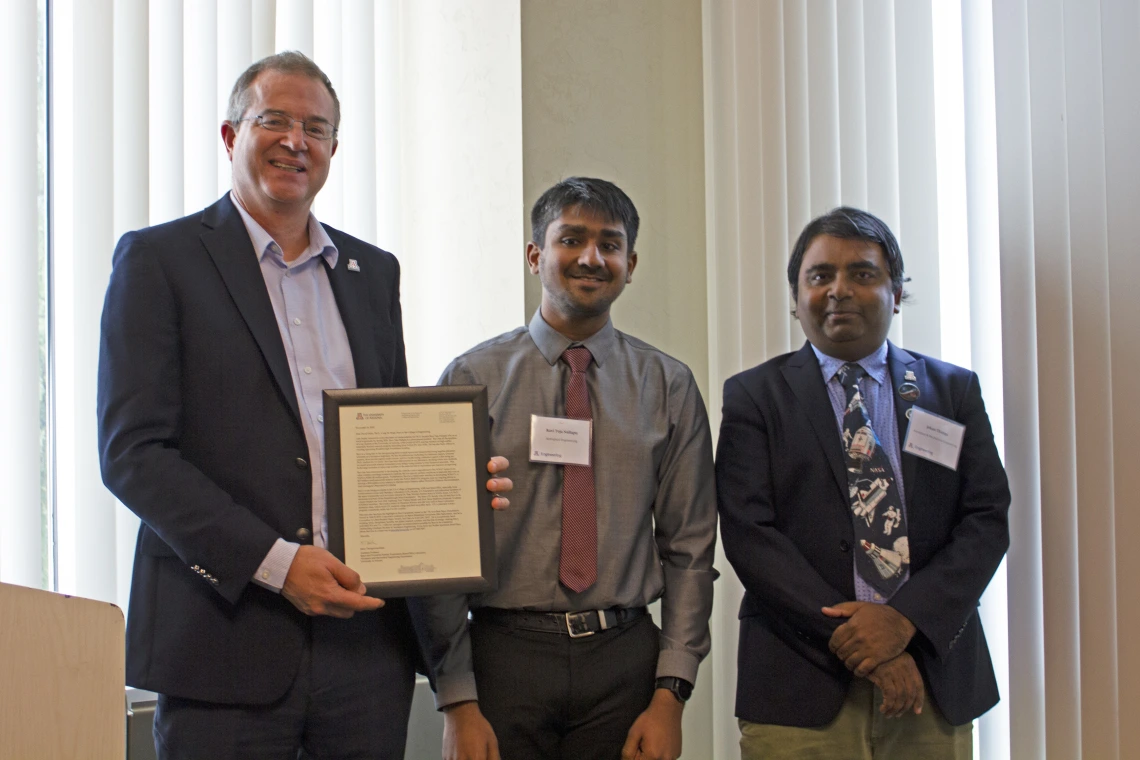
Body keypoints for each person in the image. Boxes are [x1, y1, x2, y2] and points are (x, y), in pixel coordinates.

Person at [97, 51, 510, 760]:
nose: (296, 141)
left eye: (315, 128)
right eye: (275, 121)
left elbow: (386, 435)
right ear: (231, 136)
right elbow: (133, 455)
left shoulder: (372, 272)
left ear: (333, 151)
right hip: (223, 641)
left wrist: (446, 490)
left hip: (366, 647)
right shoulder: (158, 261)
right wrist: (277, 562)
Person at [420, 177, 718, 760]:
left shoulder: (669, 386)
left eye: (610, 244)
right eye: (572, 239)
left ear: (630, 264)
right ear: (535, 256)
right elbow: (441, 551)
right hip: (504, 658)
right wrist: (457, 700)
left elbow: (690, 549)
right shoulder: (470, 379)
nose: (591, 257)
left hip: (625, 660)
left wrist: (671, 695)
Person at [715, 207, 1010, 759]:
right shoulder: (754, 397)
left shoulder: (952, 392)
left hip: (932, 680)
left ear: (896, 293)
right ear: (795, 296)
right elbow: (751, 535)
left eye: (863, 274)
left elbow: (986, 520)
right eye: (820, 275)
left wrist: (903, 623)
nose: (839, 290)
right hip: (800, 679)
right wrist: (862, 643)